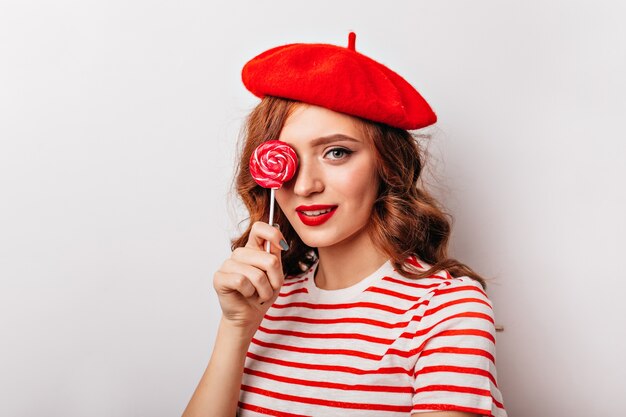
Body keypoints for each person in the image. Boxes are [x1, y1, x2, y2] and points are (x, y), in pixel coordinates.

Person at [182, 32, 507, 417]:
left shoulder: (445, 309)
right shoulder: (266, 302)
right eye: (288, 157)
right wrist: (236, 328)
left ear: (386, 163)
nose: (304, 186)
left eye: (337, 152)